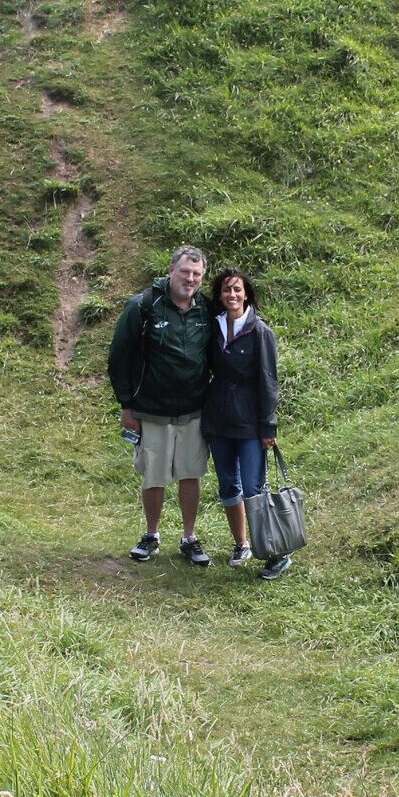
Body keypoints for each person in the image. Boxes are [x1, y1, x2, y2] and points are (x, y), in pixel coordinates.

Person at [106, 245, 216, 565]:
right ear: (171, 270)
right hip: (151, 409)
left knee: (190, 474)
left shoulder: (205, 310)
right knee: (154, 476)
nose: (190, 278)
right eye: (185, 271)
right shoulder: (142, 306)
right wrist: (126, 405)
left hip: (194, 409)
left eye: (197, 274)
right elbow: (118, 359)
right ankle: (151, 534)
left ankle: (189, 537)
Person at [203, 266, 290, 579]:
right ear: (220, 295)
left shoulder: (260, 330)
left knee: (254, 488)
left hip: (251, 424)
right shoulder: (213, 326)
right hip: (218, 420)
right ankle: (242, 545)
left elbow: (269, 380)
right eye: (227, 290)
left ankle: (275, 552)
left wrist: (269, 425)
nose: (232, 295)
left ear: (247, 294)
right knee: (228, 485)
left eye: (237, 289)